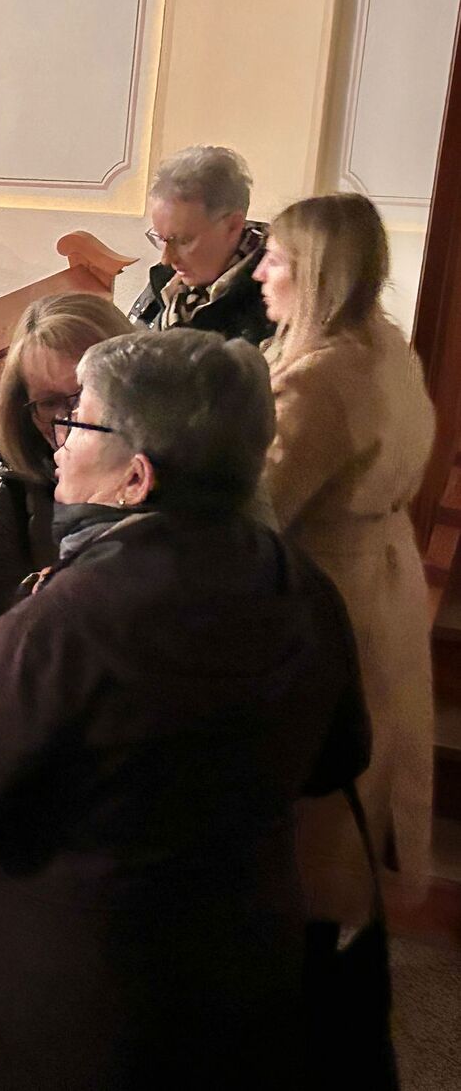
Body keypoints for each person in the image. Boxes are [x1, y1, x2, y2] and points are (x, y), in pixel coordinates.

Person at [0, 329, 371, 1091]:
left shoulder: (68, 617)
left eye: (79, 420)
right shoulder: (299, 581)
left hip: (84, 997)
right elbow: (340, 756)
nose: (59, 442)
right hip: (242, 968)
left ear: (136, 476)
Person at [253, 192, 437, 928]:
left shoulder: (318, 378)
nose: (260, 273)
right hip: (383, 573)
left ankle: (310, 930)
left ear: (316, 271)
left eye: (275, 259)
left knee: (320, 782)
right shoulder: (386, 345)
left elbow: (264, 504)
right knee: (370, 759)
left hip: (327, 589)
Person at [0, 293, 131, 620]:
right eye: (49, 402)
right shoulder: (9, 511)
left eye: (88, 393)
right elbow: (21, 637)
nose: (72, 419)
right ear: (24, 411)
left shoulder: (185, 474)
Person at [128, 145, 274, 345]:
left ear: (233, 226)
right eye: (162, 239)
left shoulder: (271, 297)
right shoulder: (168, 283)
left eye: (183, 240)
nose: (167, 259)